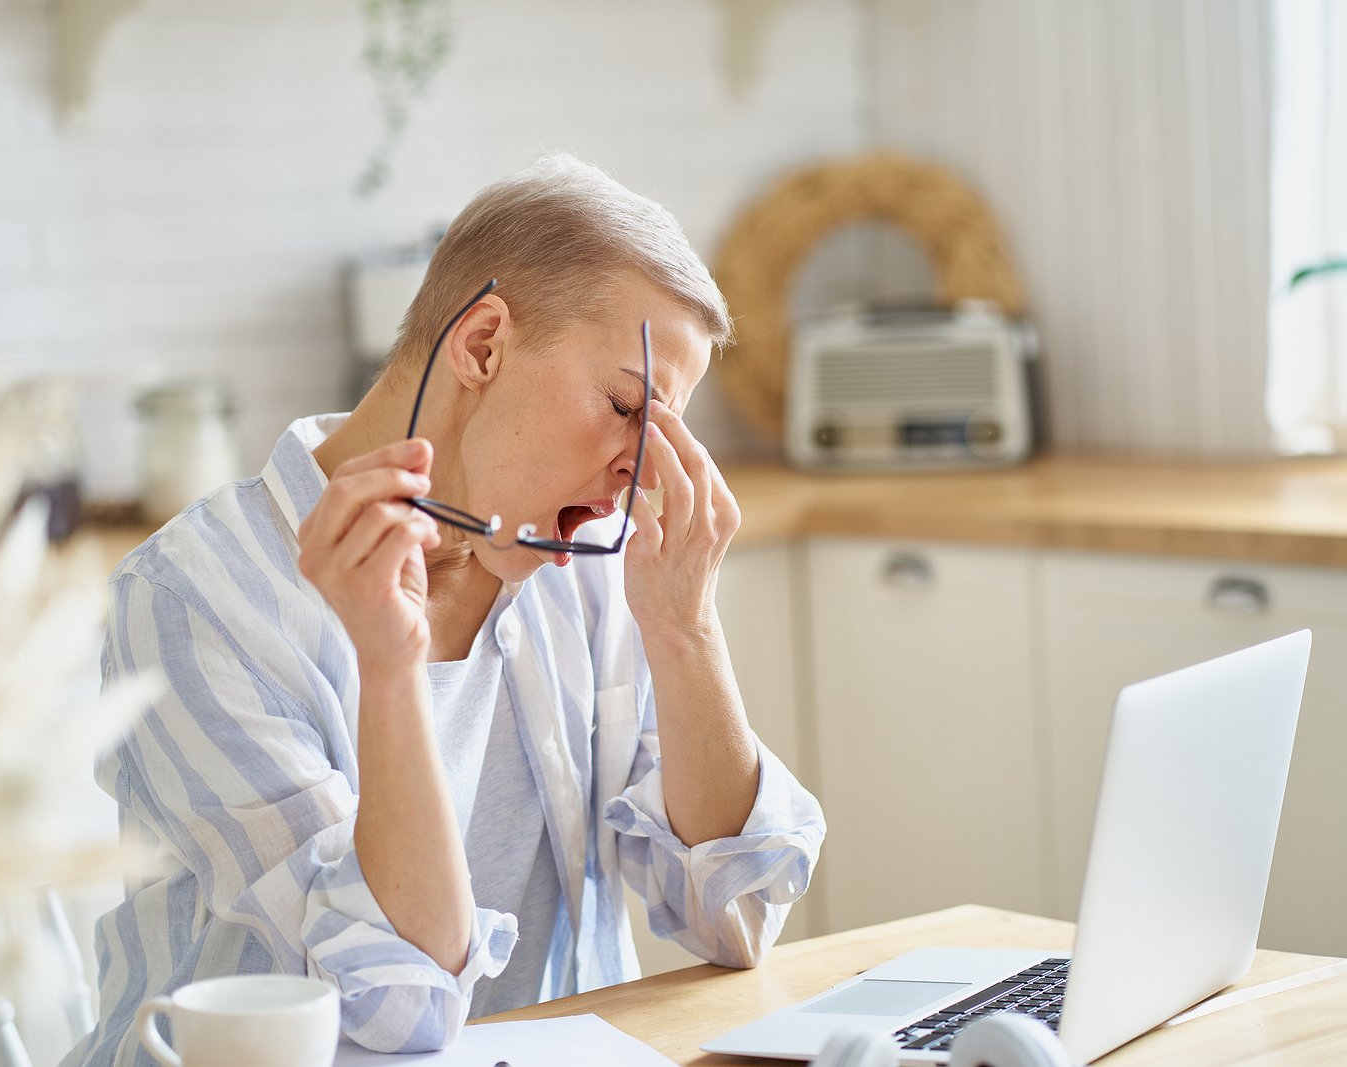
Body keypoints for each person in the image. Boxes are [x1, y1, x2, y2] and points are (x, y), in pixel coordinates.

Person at [66, 155, 825, 1067]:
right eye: (628, 404)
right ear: (482, 345)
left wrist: (686, 629)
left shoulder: (590, 569)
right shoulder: (197, 598)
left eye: (665, 427)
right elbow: (393, 1015)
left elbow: (737, 915)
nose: (643, 469)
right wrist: (391, 670)